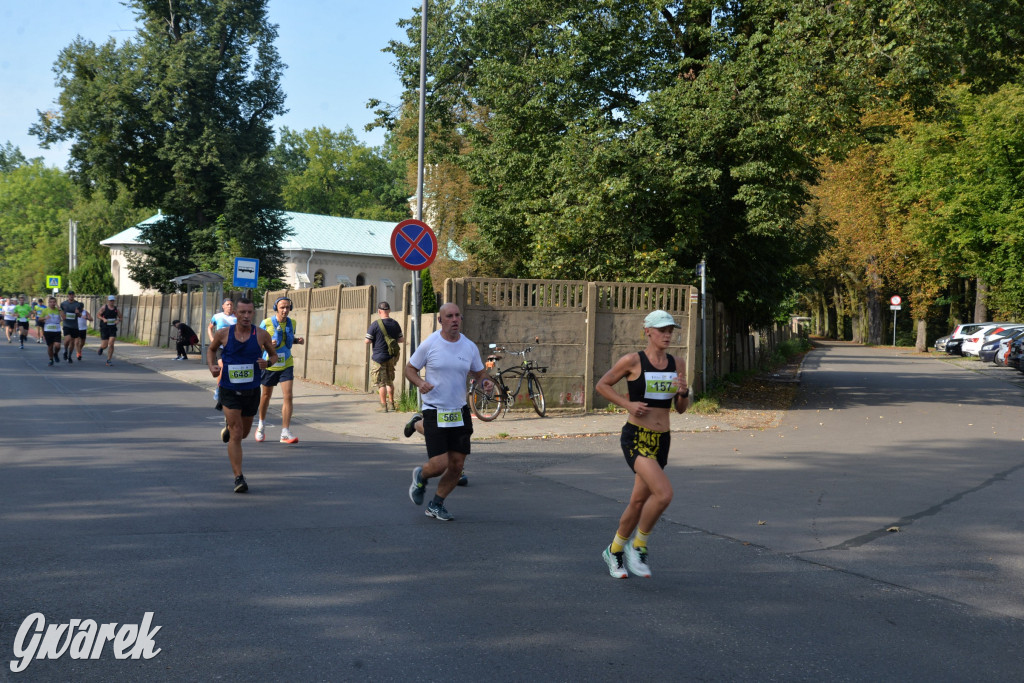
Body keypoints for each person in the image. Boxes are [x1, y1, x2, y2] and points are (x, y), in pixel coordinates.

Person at [594, 309, 690, 579]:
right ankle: (639, 546)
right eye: (662, 330)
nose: (667, 335)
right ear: (648, 331)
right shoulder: (632, 361)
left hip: (662, 440)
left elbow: (681, 408)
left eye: (671, 330)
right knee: (664, 493)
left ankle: (613, 551)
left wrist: (684, 392)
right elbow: (603, 385)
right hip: (636, 437)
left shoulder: (677, 363)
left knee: (637, 502)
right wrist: (627, 404)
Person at [402, 303, 492, 522]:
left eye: (457, 316)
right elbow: (409, 369)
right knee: (439, 465)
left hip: (459, 411)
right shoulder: (431, 343)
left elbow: (480, 373)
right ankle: (421, 475)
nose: (454, 320)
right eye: (449, 316)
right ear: (440, 320)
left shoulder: (469, 346)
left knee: (457, 466)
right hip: (434, 409)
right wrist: (420, 383)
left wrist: (486, 382)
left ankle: (436, 504)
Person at [207, 299, 277, 493]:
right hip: (229, 389)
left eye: (249, 312)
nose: (246, 316)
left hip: (252, 390)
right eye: (242, 312)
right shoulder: (223, 334)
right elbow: (211, 350)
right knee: (237, 433)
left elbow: (274, 356)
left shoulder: (261, 335)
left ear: (253, 314)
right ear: (235, 314)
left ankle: (229, 428)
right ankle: (238, 477)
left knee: (243, 433)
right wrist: (212, 366)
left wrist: (268, 364)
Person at [255, 296, 304, 444]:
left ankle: (285, 432)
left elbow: (287, 340)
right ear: (276, 308)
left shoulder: (292, 323)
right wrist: (267, 344)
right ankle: (261, 425)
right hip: (270, 364)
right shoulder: (266, 322)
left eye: (288, 307)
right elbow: (257, 344)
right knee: (266, 396)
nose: (285, 310)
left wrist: (297, 340)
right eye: (282, 307)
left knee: (288, 396)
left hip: (286, 363)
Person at [365, 301, 404, 412]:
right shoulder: (395, 324)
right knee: (389, 381)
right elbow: (401, 339)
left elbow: (367, 341)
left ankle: (383, 406)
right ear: (389, 311)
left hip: (378, 358)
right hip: (391, 357)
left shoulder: (375, 324)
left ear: (379, 311)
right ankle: (391, 404)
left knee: (381, 383)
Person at [96, 295, 122, 366]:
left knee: (111, 343)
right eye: (110, 300)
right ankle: (101, 348)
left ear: (114, 301)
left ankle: (109, 360)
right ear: (108, 301)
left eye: (113, 300)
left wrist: (118, 320)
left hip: (112, 328)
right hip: (104, 328)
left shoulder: (116, 309)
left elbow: (120, 317)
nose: (111, 302)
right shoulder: (104, 307)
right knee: (105, 345)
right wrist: (103, 319)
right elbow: (98, 315)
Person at [59, 291, 84, 364]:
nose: (71, 296)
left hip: (74, 326)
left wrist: (77, 313)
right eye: (70, 295)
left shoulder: (77, 304)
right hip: (66, 325)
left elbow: (80, 316)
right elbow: (61, 313)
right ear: (68, 296)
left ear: (74, 296)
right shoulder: (63, 304)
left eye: (72, 295)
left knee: (72, 342)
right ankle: (65, 350)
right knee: (67, 339)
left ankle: (69, 356)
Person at [38, 296, 63, 366]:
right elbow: (39, 319)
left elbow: (64, 317)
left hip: (57, 330)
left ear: (56, 303)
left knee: (58, 346)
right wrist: (44, 318)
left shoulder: (58, 310)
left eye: (54, 302)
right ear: (48, 303)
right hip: (48, 330)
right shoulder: (45, 310)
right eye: (51, 302)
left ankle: (56, 354)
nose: (52, 303)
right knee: (50, 346)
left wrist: (60, 310)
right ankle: (51, 359)